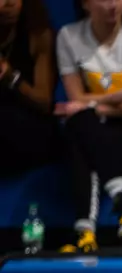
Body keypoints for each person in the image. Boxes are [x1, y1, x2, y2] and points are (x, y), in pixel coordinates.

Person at [55, 0, 122, 254]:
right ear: (85, 4)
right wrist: (120, 96)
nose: (113, 4)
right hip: (93, 126)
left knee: (81, 130)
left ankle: (84, 233)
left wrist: (93, 105)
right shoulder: (69, 37)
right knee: (81, 127)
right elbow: (75, 98)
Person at [0, 0, 57, 176]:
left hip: (29, 122)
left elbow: (44, 102)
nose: (10, 3)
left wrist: (12, 77)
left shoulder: (38, 34)